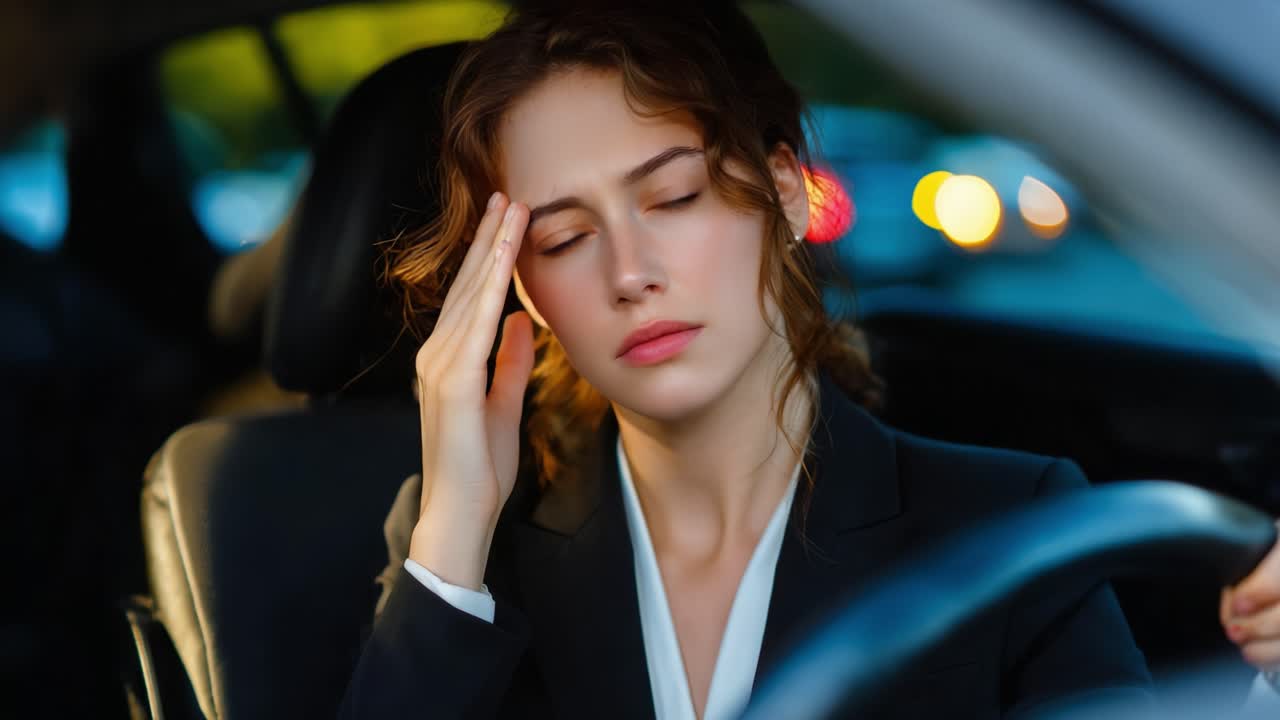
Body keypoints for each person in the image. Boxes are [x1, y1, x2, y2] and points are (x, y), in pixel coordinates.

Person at [341, 3, 1280, 718]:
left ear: (785, 193)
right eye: (565, 238)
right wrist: (455, 523)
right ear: (522, 292)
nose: (631, 273)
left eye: (674, 198)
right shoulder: (457, 555)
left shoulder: (1012, 523)